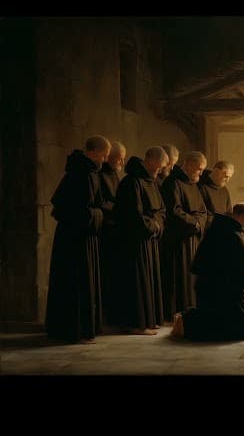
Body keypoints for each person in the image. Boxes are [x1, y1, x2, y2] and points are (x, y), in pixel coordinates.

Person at [46, 135, 111, 344]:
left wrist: (100, 210)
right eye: (104, 155)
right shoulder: (83, 174)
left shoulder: (85, 172)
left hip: (79, 236)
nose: (105, 160)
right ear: (94, 152)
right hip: (76, 239)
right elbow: (79, 210)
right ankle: (74, 330)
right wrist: (101, 212)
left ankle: (78, 329)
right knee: (76, 282)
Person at [171, 203, 244, 341]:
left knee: (240, 322)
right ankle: (187, 322)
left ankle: (187, 320)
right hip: (222, 293)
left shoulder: (218, 228)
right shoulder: (232, 233)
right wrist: (238, 283)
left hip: (209, 289)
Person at [113, 147, 168, 335]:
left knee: (150, 280)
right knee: (137, 282)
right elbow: (132, 215)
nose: (160, 171)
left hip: (150, 239)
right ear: (150, 160)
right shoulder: (131, 182)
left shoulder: (152, 182)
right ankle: (137, 323)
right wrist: (153, 226)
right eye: (159, 167)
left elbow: (161, 210)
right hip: (135, 241)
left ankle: (149, 320)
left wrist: (157, 224)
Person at [160, 151, 208, 322]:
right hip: (178, 241)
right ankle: (175, 313)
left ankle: (189, 310)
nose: (201, 173)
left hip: (192, 238)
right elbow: (173, 211)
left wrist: (199, 222)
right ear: (189, 164)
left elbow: (203, 211)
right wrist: (194, 223)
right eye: (199, 169)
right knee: (178, 277)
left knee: (191, 277)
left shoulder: (193, 184)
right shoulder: (173, 183)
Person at [98, 140, 126, 327]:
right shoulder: (99, 176)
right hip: (105, 232)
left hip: (116, 231)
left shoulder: (115, 175)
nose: (121, 163)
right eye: (119, 159)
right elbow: (101, 202)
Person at [198, 160, 234, 231]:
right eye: (226, 176)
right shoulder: (200, 186)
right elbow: (200, 213)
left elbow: (229, 213)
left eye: (229, 177)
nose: (227, 180)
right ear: (216, 172)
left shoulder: (224, 190)